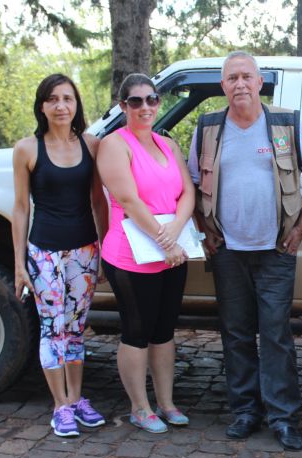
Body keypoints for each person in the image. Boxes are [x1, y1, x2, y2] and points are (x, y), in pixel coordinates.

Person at [189, 51, 302, 451]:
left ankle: (283, 418)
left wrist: (300, 229)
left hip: (276, 251)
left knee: (275, 335)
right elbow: (191, 183)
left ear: (259, 82)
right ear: (223, 86)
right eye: (232, 78)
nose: (240, 84)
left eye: (246, 77)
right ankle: (245, 412)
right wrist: (204, 229)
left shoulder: (285, 124)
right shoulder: (209, 128)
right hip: (228, 251)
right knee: (235, 334)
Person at [96, 73, 195, 434]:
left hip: (171, 253)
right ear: (123, 106)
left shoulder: (167, 144)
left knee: (164, 331)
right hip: (132, 256)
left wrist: (175, 232)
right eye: (136, 101)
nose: (145, 107)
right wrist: (167, 242)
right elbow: (128, 200)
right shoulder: (114, 145)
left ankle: (166, 403)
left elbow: (187, 192)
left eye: (151, 99)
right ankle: (140, 407)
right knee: (137, 331)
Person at [12, 74, 109, 437]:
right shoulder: (27, 149)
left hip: (84, 251)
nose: (61, 106)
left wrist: (104, 249)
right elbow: (21, 208)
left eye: (67, 98)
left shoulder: (91, 145)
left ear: (76, 104)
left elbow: (98, 201)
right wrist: (19, 263)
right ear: (42, 106)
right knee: (53, 328)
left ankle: (77, 398)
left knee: (76, 328)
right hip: (44, 253)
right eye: (53, 99)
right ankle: (60, 406)